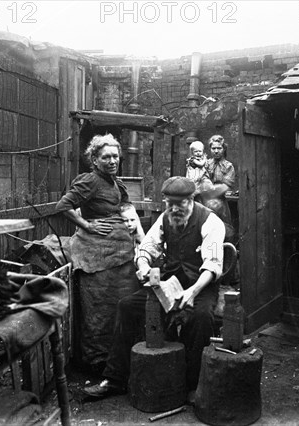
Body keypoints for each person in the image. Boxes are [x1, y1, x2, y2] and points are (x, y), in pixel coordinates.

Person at [82, 176, 225, 401]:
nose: (175, 209)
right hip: (170, 281)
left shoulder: (212, 222)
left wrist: (192, 292)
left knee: (201, 316)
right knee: (127, 306)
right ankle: (115, 379)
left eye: (182, 204)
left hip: (201, 284)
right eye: (170, 204)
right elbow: (147, 246)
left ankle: (191, 385)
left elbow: (213, 265)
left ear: (192, 199)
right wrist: (143, 265)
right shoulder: (164, 219)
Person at [55, 134, 139, 376]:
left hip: (120, 254)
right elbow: (63, 206)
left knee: (119, 306)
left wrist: (131, 224)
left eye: (115, 156)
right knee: (99, 308)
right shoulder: (90, 181)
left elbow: (124, 205)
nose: (112, 161)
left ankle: (118, 358)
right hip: (96, 254)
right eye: (106, 157)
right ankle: (97, 363)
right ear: (94, 159)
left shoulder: (116, 182)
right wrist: (87, 225)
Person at [204, 134, 237, 235]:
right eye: (213, 148)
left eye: (219, 148)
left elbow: (225, 187)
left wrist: (207, 189)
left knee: (223, 232)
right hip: (204, 204)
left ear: (224, 149)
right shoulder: (206, 164)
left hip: (221, 205)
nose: (216, 151)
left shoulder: (228, 166)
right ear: (210, 149)